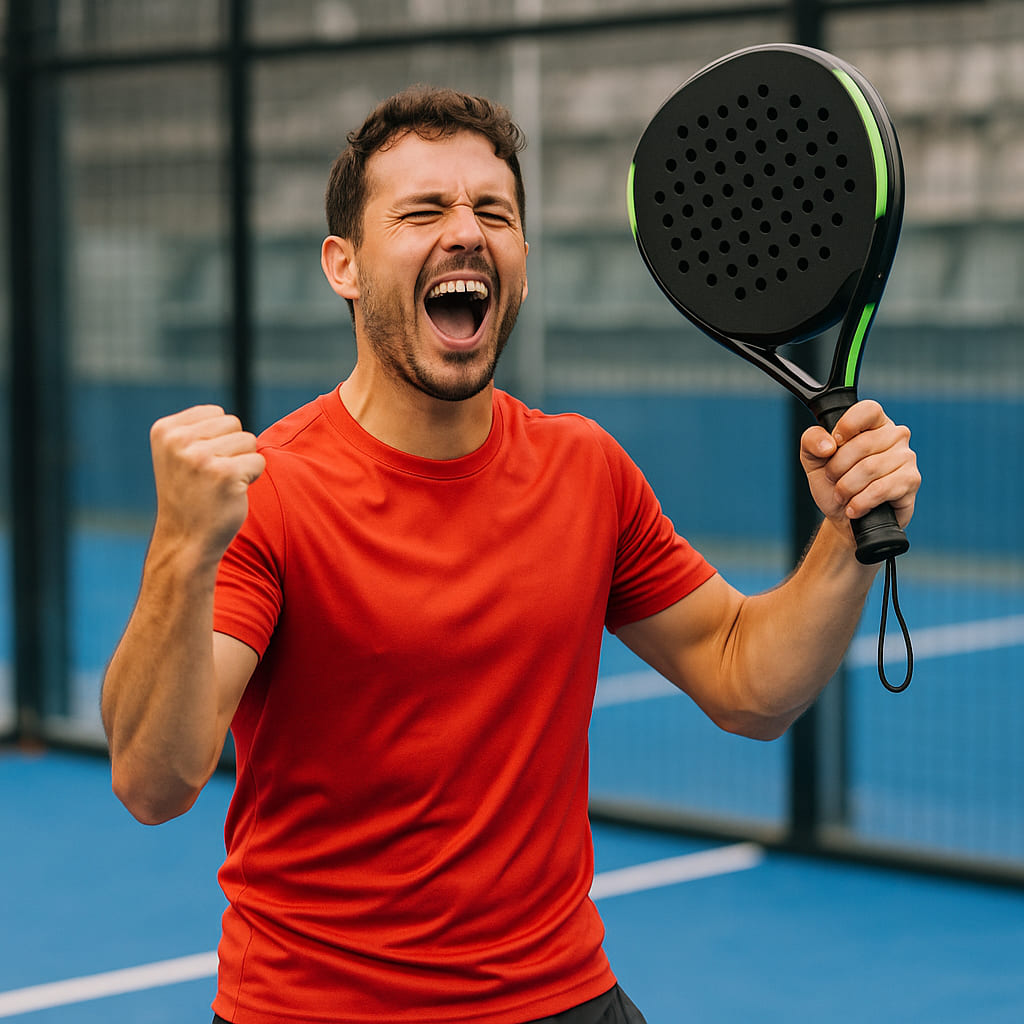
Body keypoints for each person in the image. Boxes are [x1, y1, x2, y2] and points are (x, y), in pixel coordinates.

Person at [101, 86, 920, 1024]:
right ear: (345, 265)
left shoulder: (586, 468)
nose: (465, 232)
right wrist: (179, 550)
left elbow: (747, 681)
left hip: (563, 997)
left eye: (493, 212)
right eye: (421, 212)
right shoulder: (270, 493)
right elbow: (152, 783)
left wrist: (847, 532)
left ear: (522, 260)